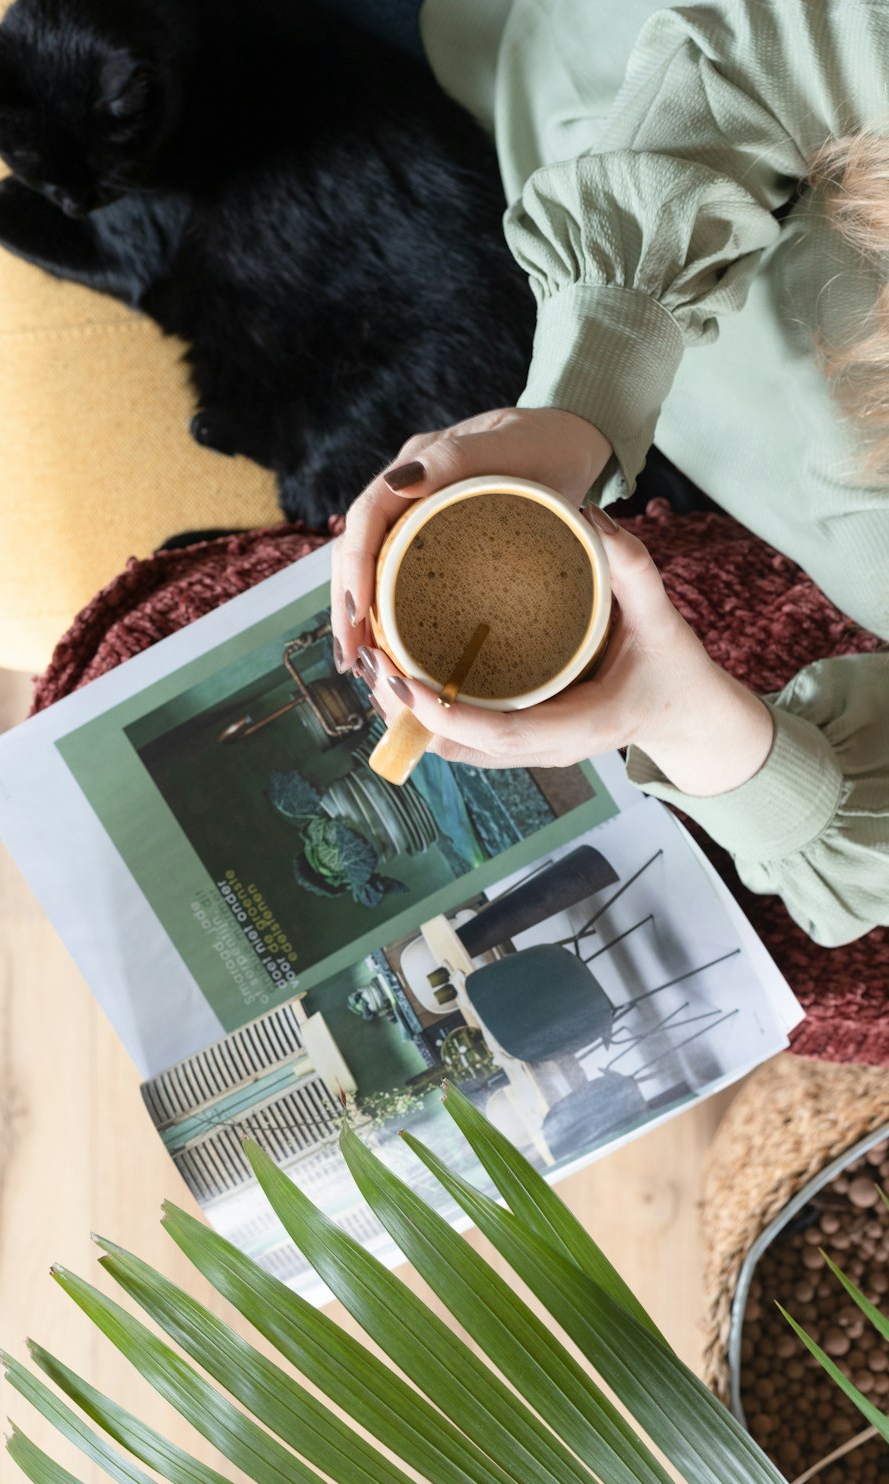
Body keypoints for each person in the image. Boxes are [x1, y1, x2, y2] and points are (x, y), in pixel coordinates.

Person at [330, 0, 889, 948]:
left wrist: (674, 708)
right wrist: (586, 389)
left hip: (506, 161)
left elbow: (848, 874)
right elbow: (783, 38)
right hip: (570, 66)